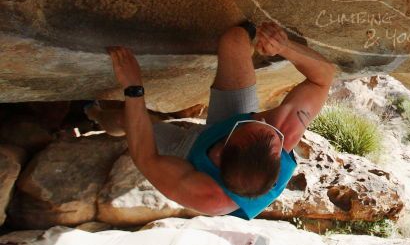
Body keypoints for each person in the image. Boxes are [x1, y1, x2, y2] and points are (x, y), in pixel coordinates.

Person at [100, 20, 336, 219]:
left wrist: (133, 88)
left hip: (188, 155)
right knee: (234, 40)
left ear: (220, 151)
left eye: (257, 124)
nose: (266, 120)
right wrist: (283, 47)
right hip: (230, 128)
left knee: (124, 118)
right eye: (265, 127)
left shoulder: (205, 194)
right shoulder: (280, 132)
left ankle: (95, 114)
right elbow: (324, 77)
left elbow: (144, 156)